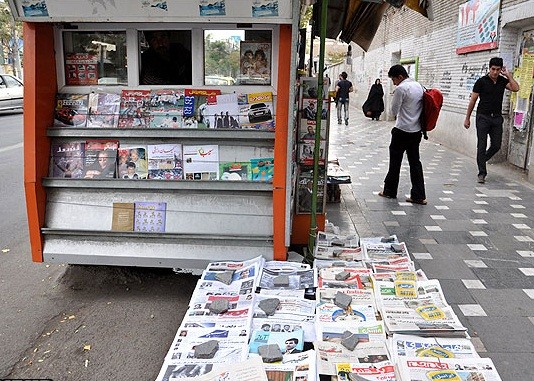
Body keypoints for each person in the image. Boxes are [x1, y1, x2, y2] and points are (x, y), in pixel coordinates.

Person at [464, 57, 519, 184]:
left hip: (496, 118)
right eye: (493, 69)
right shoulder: (481, 82)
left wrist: (509, 76)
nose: (495, 72)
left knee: (496, 145)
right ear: (489, 68)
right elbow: (473, 100)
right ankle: (482, 173)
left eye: (498, 70)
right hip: (483, 117)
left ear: (501, 70)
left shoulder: (502, 81)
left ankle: (482, 159)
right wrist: (467, 118)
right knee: (481, 145)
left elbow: (516, 88)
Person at [378, 64, 427, 205]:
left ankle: (390, 191)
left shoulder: (401, 89)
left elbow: (393, 111)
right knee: (415, 163)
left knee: (395, 162)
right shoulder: (419, 86)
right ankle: (419, 195)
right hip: (416, 131)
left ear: (400, 77)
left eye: (394, 80)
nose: (394, 83)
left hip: (401, 131)